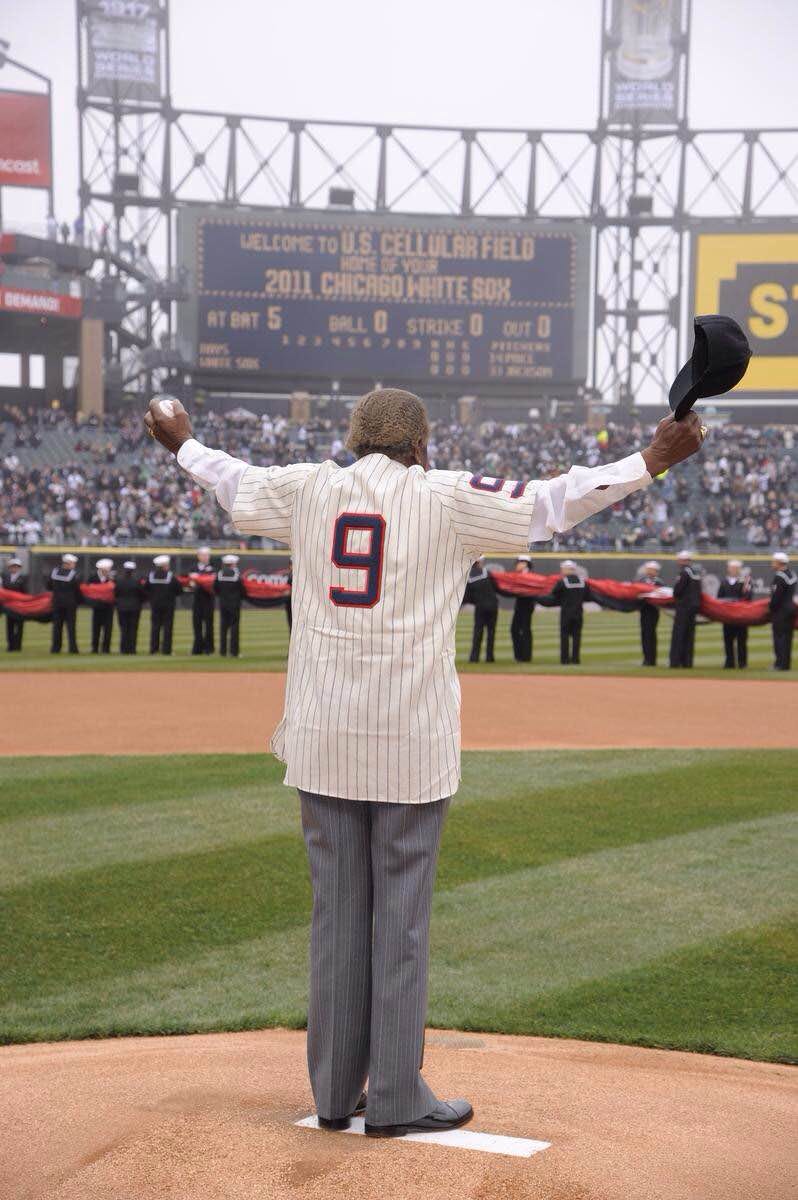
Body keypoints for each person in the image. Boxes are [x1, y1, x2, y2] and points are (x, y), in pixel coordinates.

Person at [145, 389, 703, 1138]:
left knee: (335, 917)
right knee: (399, 920)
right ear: (422, 446)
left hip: (323, 735)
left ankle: (336, 1092)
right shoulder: (445, 497)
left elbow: (229, 476)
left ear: (354, 438)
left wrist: (179, 441)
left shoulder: (308, 487)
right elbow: (552, 503)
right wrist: (651, 460)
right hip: (409, 737)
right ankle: (399, 1096)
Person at [548, 560, 587, 665]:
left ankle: (564, 660)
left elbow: (553, 594)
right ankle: (575, 659)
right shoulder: (583, 582)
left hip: (566, 613)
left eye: (563, 568)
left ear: (569, 569)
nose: (561, 571)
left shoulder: (562, 582)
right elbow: (587, 595)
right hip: (578, 613)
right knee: (576, 637)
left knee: (564, 636)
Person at [669, 550, 702, 668]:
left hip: (683, 608)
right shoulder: (695, 573)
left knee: (679, 635)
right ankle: (687, 662)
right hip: (693, 608)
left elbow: (677, 591)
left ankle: (675, 662)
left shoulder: (684, 573)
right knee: (689, 636)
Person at [717, 558, 752, 669]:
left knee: (742, 640)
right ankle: (729, 663)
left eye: (735, 568)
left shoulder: (745, 581)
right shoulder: (724, 582)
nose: (733, 570)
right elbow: (719, 597)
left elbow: (748, 597)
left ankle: (742, 663)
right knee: (728, 640)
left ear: (739, 569)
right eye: (731, 568)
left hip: (740, 616)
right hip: (728, 617)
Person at [145, 554, 182, 655]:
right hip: (168, 606)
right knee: (167, 627)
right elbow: (179, 590)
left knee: (155, 627)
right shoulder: (171, 577)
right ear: (165, 565)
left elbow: (146, 589)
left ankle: (153, 649)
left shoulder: (151, 576)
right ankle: (166, 650)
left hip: (155, 605)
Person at [46, 552, 81, 654]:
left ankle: (55, 648)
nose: (74, 565)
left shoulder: (54, 572)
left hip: (56, 603)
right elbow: (77, 590)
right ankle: (73, 648)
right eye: (73, 563)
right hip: (70, 604)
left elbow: (48, 586)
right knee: (71, 627)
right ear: (68, 563)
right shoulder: (74, 574)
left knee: (57, 626)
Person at [465, 558, 498, 663]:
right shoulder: (487, 573)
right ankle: (490, 658)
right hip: (493, 606)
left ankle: (474, 658)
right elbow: (496, 588)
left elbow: (467, 596)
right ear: (479, 562)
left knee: (478, 632)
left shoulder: (469, 577)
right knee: (491, 633)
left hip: (480, 607)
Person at [769, 551, 796, 671]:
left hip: (781, 612)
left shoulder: (779, 577)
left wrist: (771, 609)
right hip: (790, 609)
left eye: (774, 562)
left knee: (779, 638)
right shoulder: (792, 574)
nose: (772, 564)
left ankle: (779, 664)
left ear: (779, 563)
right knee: (788, 638)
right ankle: (786, 664)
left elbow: (776, 598)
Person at [215, 554, 245, 657]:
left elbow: (215, 589)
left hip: (223, 604)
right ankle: (234, 652)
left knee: (223, 628)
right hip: (235, 604)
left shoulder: (219, 574)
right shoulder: (237, 575)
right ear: (233, 564)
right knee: (234, 628)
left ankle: (223, 651)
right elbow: (242, 590)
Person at [115, 560, 145, 654]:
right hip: (135, 608)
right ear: (133, 570)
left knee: (123, 629)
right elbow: (142, 594)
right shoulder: (137, 581)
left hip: (121, 608)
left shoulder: (118, 581)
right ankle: (132, 649)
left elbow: (116, 594)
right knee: (133, 629)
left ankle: (123, 649)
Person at [509, 555, 536, 662]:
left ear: (525, 563)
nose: (516, 565)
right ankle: (520, 656)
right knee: (516, 630)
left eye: (518, 562)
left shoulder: (528, 575)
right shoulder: (520, 575)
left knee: (524, 630)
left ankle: (524, 656)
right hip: (520, 605)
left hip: (526, 605)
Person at [190, 546, 215, 654]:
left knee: (209, 625)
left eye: (207, 555)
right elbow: (191, 584)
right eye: (203, 555)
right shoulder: (193, 568)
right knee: (197, 625)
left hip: (209, 600)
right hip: (197, 600)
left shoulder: (213, 568)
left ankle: (209, 648)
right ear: (198, 556)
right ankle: (197, 648)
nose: (205, 557)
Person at [637, 559, 662, 667]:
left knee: (651, 634)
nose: (648, 571)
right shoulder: (641, 581)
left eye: (651, 569)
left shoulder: (659, 582)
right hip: (644, 610)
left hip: (654, 611)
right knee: (644, 634)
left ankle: (652, 659)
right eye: (648, 569)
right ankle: (646, 658)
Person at [89, 557, 115, 654]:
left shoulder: (112, 579)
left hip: (108, 607)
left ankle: (106, 649)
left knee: (108, 629)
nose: (108, 570)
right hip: (97, 607)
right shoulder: (93, 578)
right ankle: (94, 648)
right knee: (96, 628)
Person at [2, 557, 28, 652]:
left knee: (19, 626)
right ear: (9, 568)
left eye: (16, 566)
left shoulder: (23, 578)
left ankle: (18, 646)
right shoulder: (5, 578)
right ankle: (10, 646)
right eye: (13, 566)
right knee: (10, 626)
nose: (14, 568)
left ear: (19, 568)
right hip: (9, 606)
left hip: (20, 606)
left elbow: (26, 592)